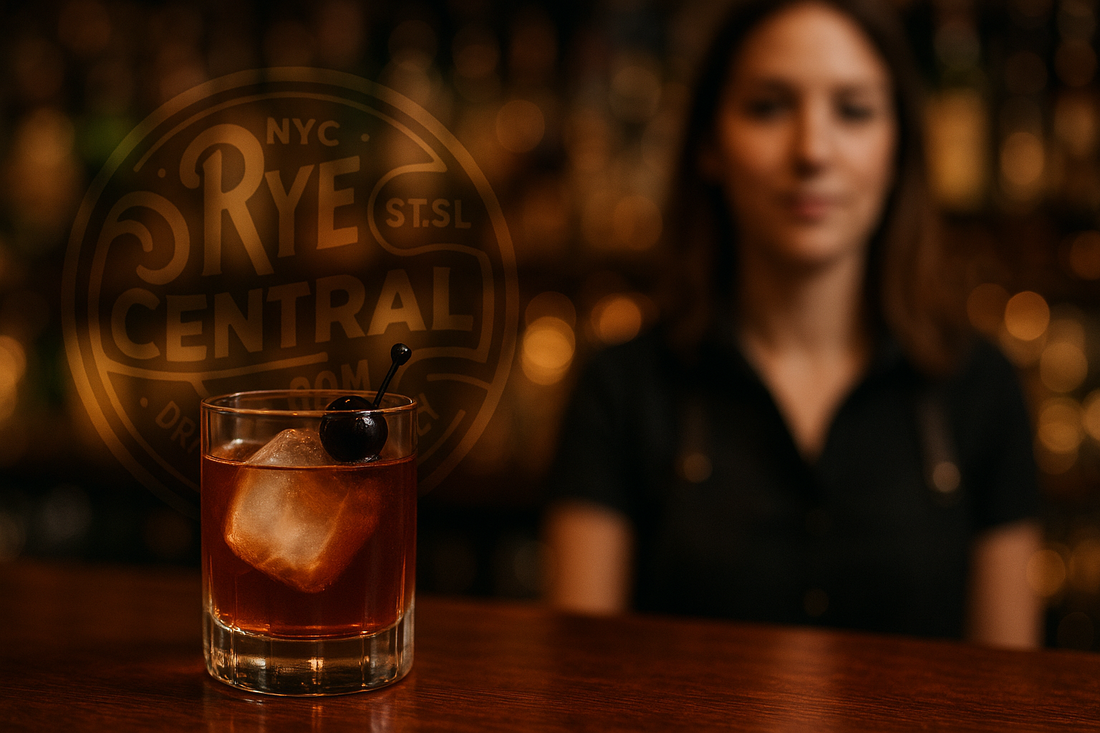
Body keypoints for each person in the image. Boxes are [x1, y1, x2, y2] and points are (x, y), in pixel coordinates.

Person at [543, 0, 1043, 647]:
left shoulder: (981, 389)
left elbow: (1008, 695)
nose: (812, 149)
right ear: (709, 147)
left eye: (854, 110)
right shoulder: (622, 387)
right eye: (769, 106)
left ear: (899, 152)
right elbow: (583, 682)